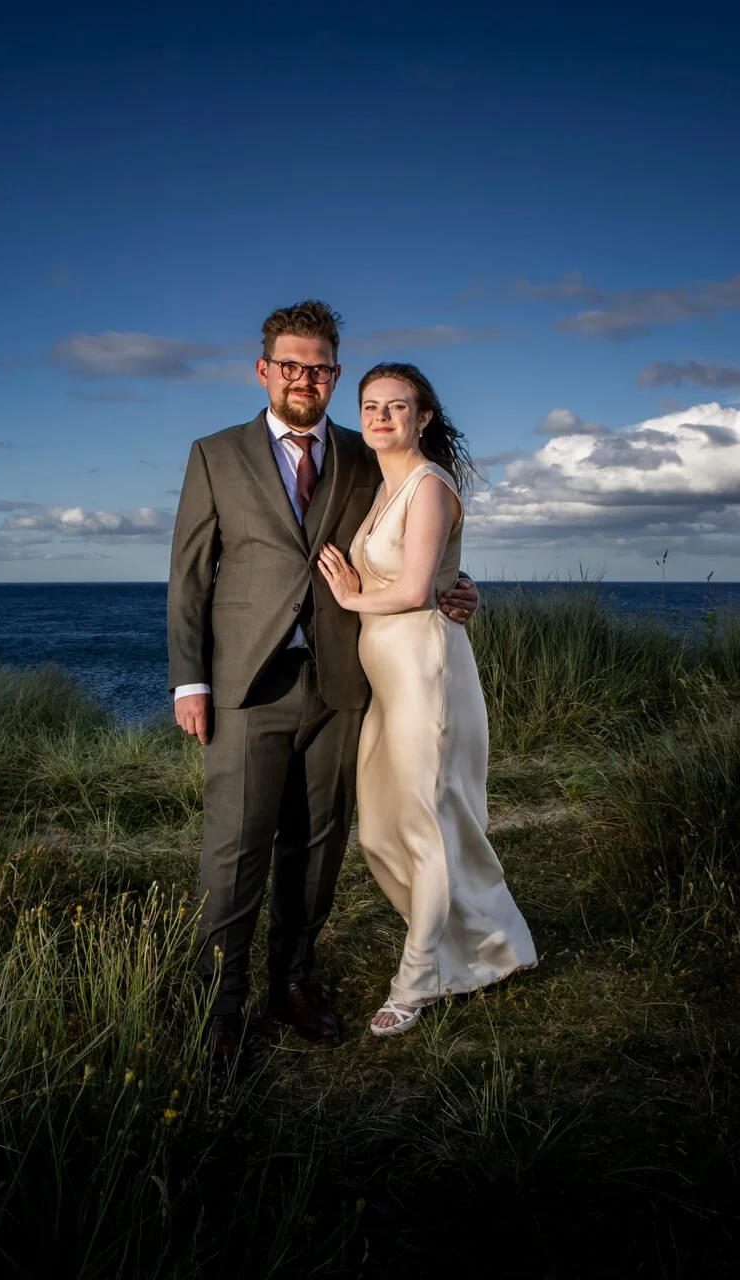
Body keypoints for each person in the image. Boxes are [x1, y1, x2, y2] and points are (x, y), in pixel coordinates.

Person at [167, 301, 479, 1067]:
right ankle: (221, 1005)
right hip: (248, 685)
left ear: (335, 375)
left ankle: (294, 982)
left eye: (320, 367)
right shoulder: (215, 454)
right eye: (291, 365)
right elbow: (189, 579)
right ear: (264, 370)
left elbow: (413, 536)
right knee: (234, 850)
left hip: (344, 683)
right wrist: (190, 684)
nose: (305, 378)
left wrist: (458, 583)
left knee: (318, 846)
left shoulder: (364, 451)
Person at [315, 362, 536, 1035]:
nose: (382, 418)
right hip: (389, 685)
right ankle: (482, 949)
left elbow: (416, 591)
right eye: (371, 406)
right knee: (381, 830)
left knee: (426, 829)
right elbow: (440, 573)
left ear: (425, 417)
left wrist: (351, 596)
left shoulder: (430, 485)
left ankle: (416, 983)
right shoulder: (383, 488)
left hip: (427, 676)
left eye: (398, 407)